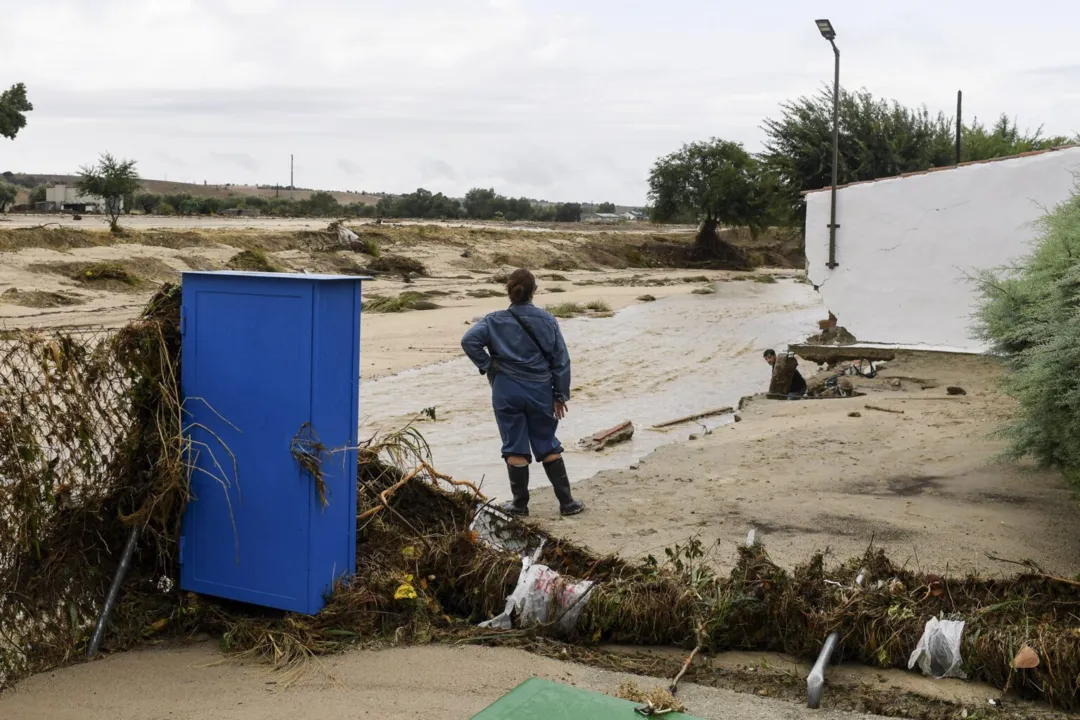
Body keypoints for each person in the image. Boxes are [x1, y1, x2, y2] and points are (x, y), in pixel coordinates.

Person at [461, 268, 585, 517]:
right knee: (547, 443)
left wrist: (487, 366)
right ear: (534, 291)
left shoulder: (493, 319)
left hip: (506, 389)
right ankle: (567, 503)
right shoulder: (548, 320)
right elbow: (561, 361)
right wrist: (560, 396)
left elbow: (468, 341)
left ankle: (519, 505)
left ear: (509, 291)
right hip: (539, 390)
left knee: (514, 446)